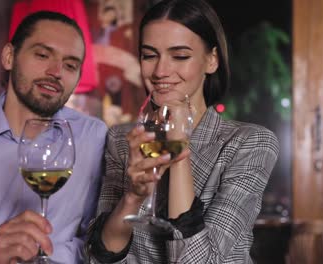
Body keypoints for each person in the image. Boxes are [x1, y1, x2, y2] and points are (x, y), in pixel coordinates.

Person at [86, 0, 279, 263]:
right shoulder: (122, 139)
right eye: (150, 55)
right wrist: (132, 197)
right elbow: (97, 257)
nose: (160, 71)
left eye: (180, 56)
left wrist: (178, 143)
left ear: (211, 61)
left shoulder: (251, 143)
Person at [0, 11, 108, 264]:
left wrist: (45, 257)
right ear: (9, 57)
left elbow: (97, 241)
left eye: (70, 65)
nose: (56, 71)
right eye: (42, 55)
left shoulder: (93, 136)